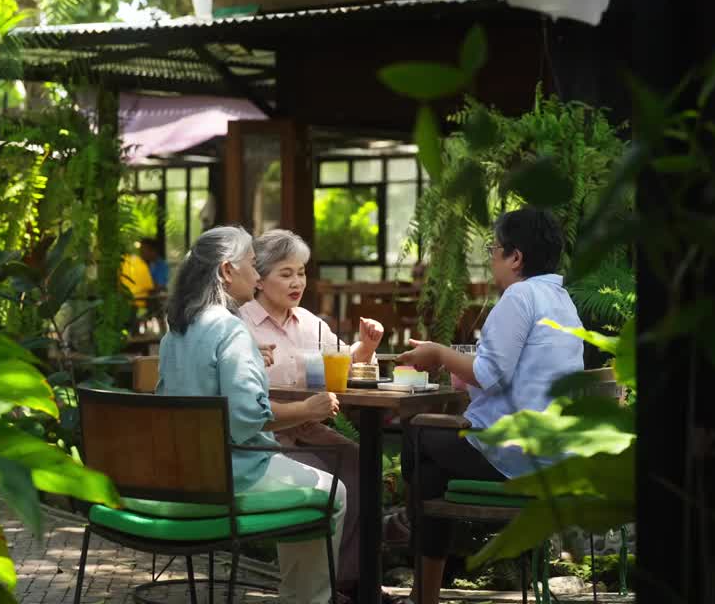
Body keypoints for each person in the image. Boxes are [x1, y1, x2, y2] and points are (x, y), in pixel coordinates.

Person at [393, 208, 584, 604]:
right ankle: (422, 587)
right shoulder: (560, 298)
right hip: (554, 454)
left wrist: (441, 354)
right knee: (431, 472)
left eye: (493, 248)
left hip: (517, 454)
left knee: (416, 436)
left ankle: (405, 532)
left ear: (516, 257)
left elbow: (491, 374)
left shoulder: (519, 296)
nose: (491, 257)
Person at [156, 225, 347, 604]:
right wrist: (306, 409)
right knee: (333, 493)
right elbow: (245, 421)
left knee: (316, 487)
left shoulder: (177, 329)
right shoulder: (231, 327)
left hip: (182, 473)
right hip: (231, 476)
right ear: (228, 271)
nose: (258, 275)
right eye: (252, 265)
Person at [241, 228, 385, 597]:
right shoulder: (241, 323)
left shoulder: (308, 321)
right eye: (285, 273)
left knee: (360, 464)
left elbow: (343, 362)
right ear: (259, 276)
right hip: (266, 434)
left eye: (301, 272)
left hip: (307, 427)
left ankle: (351, 581)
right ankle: (316, 587)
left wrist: (366, 346)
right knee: (328, 475)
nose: (297, 282)